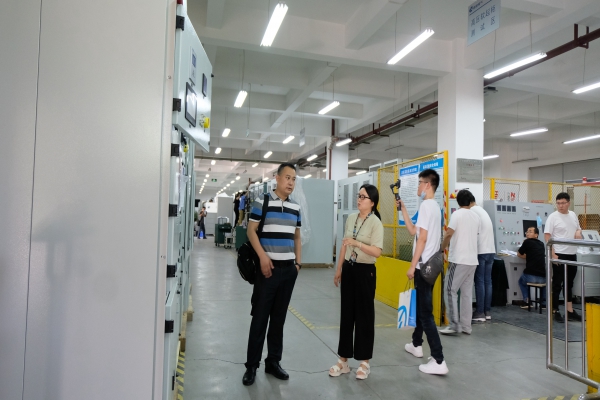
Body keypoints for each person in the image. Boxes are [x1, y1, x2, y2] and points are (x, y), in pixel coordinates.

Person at [242, 163, 302, 386]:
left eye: (294, 179)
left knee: (278, 320)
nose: (290, 182)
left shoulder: (295, 207)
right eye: (287, 177)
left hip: (288, 271)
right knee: (260, 319)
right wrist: (263, 257)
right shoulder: (263, 201)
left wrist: (298, 264)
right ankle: (251, 366)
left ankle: (273, 362)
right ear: (277, 178)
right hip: (267, 271)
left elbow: (297, 237)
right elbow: (251, 231)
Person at [329, 184, 383, 380]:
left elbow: (377, 251)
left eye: (363, 197)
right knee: (347, 315)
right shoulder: (351, 218)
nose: (359, 199)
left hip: (365, 272)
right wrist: (339, 269)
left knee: (364, 317)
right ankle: (343, 360)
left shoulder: (375, 223)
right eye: (358, 196)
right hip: (349, 269)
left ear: (372, 202)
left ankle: (364, 362)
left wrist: (358, 243)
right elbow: (345, 244)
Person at [398, 168, 448, 375]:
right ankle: (416, 344)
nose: (418, 186)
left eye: (420, 182)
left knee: (426, 313)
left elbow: (423, 239)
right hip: (431, 267)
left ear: (427, 185)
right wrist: (403, 209)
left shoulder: (427, 206)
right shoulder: (433, 207)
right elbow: (414, 232)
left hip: (422, 267)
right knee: (421, 308)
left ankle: (438, 359)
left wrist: (412, 265)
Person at [439, 189, 480, 335]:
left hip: (459, 259)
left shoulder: (457, 214)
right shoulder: (476, 217)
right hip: (472, 260)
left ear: (458, 201)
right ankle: (466, 326)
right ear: (470, 201)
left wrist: (441, 248)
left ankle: (454, 325)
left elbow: (449, 233)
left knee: (449, 290)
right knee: (466, 294)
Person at [544, 192, 583, 323]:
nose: (560, 205)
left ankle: (569, 311)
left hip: (572, 254)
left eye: (563, 203)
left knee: (569, 284)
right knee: (557, 284)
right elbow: (547, 236)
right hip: (559, 254)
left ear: (568, 203)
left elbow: (578, 228)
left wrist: (578, 232)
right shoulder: (553, 217)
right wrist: (553, 253)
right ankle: (554, 310)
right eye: (558, 203)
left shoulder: (573, 215)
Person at [470, 198, 496, 322]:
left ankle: (479, 312)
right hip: (491, 250)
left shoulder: (472, 211)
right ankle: (487, 311)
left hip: (481, 251)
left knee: (479, 281)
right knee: (487, 281)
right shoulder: (482, 211)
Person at [515, 227, 546, 308]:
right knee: (543, 285)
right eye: (527, 231)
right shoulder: (542, 244)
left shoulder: (527, 242)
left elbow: (519, 254)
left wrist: (528, 256)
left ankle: (527, 301)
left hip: (531, 276)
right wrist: (530, 256)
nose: (527, 233)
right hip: (543, 277)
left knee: (521, 281)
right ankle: (543, 303)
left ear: (536, 235)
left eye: (530, 231)